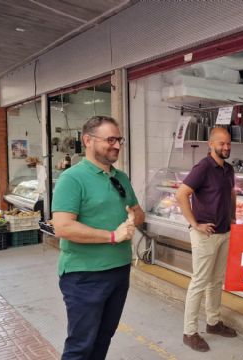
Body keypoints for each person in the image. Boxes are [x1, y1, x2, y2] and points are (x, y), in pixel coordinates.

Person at [52, 116, 145, 360]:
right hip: (84, 275)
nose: (116, 145)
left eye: (119, 140)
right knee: (81, 345)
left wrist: (131, 220)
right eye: (110, 139)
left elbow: (138, 213)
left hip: (119, 271)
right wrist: (113, 235)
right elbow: (62, 227)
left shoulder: (120, 177)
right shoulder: (72, 178)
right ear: (88, 141)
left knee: (104, 337)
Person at [176, 127, 238, 352]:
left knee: (216, 280)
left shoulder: (228, 169)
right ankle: (189, 331)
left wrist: (232, 217)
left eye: (229, 143)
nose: (226, 147)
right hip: (205, 234)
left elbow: (231, 193)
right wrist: (195, 224)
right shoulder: (203, 167)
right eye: (222, 143)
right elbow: (181, 193)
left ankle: (213, 322)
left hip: (224, 232)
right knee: (199, 282)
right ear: (210, 144)